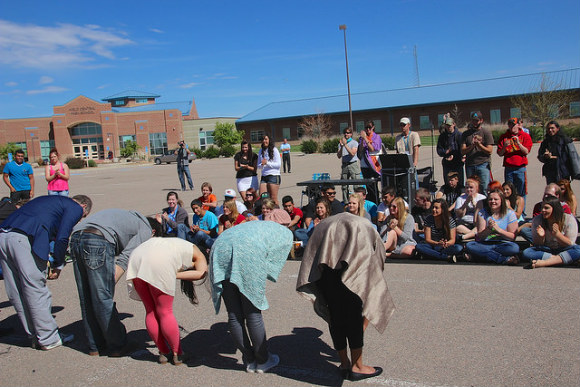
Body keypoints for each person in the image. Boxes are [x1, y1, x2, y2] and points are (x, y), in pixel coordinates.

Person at [296, 213, 395, 381]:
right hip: (352, 272)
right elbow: (376, 250)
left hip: (326, 273)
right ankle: (358, 366)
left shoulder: (324, 224)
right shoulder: (361, 224)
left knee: (335, 318)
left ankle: (344, 363)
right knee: (354, 319)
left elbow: (313, 252)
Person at [0, 194, 92, 350]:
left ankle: (35, 335)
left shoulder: (49, 202)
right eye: (82, 217)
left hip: (4, 235)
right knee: (35, 288)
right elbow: (63, 237)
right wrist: (58, 263)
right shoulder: (74, 207)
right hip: (23, 238)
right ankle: (48, 338)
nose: (79, 220)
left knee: (16, 289)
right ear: (83, 207)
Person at [70, 209, 158, 356]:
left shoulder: (131, 218)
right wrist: (111, 281)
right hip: (97, 239)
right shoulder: (146, 229)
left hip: (76, 237)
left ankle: (95, 345)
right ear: (154, 232)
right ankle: (118, 345)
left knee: (86, 296)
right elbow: (127, 256)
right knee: (102, 296)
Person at [210, 221, 292, 373]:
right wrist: (267, 268)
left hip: (221, 247)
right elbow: (279, 252)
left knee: (234, 315)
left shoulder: (257, 226)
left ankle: (249, 359)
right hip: (246, 250)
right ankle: (263, 360)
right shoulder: (284, 232)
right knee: (253, 313)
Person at [126, 237, 207, 365]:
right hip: (159, 261)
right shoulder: (198, 252)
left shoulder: (176, 243)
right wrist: (172, 274)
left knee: (150, 310)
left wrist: (170, 273)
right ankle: (178, 354)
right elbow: (201, 272)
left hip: (136, 258)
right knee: (165, 311)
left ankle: (164, 352)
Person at [464, 188, 520, 265]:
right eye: (490, 199)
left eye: (496, 199)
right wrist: (489, 229)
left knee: (514, 248)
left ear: (501, 200)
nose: (493, 201)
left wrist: (498, 230)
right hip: (485, 244)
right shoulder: (482, 212)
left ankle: (478, 257)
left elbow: (512, 237)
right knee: (470, 245)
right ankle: (503, 259)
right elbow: (481, 236)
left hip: (503, 244)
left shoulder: (510, 214)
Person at [522, 196, 580, 269]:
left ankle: (544, 263)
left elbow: (570, 243)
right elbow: (537, 244)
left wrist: (558, 235)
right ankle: (560, 260)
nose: (543, 210)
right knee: (527, 252)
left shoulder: (569, 219)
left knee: (578, 250)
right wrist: (541, 237)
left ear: (555, 209)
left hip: (564, 249)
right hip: (547, 250)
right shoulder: (537, 220)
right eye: (542, 207)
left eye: (546, 208)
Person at [497, 117, 533, 203]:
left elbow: (526, 151)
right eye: (510, 124)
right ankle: (510, 210)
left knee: (521, 191)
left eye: (513, 124)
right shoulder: (504, 137)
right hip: (509, 168)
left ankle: (521, 212)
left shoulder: (525, 136)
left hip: (520, 168)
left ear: (518, 125)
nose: (512, 126)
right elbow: (500, 153)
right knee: (508, 191)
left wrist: (519, 144)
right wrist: (505, 146)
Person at [461, 111, 494, 195]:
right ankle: (473, 206)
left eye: (477, 120)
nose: (475, 122)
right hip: (470, 165)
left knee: (484, 188)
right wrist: (472, 146)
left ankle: (485, 207)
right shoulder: (466, 134)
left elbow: (489, 150)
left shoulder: (486, 133)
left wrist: (479, 145)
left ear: (481, 120)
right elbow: (462, 151)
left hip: (483, 164)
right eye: (473, 120)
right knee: (471, 189)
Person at [358, 120, 382, 204]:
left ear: (373, 128)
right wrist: (362, 140)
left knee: (373, 185)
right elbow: (360, 149)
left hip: (373, 164)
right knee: (368, 185)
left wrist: (365, 138)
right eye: (366, 128)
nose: (368, 130)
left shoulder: (376, 137)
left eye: (369, 128)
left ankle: (376, 202)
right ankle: (371, 202)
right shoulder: (362, 138)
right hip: (365, 164)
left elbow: (372, 149)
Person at [436, 115, 464, 186]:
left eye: (450, 125)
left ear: (454, 124)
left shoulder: (459, 135)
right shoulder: (442, 136)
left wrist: (459, 156)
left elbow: (462, 149)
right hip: (447, 164)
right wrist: (445, 153)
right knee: (448, 185)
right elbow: (439, 150)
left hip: (458, 163)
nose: (448, 127)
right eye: (447, 125)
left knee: (459, 184)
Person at [337, 127, 360, 202]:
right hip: (344, 165)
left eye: (348, 133)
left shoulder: (354, 143)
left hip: (353, 164)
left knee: (356, 185)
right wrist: (342, 146)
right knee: (344, 186)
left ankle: (357, 201)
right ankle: (346, 202)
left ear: (351, 134)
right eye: (345, 133)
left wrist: (345, 144)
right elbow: (339, 156)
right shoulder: (340, 144)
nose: (346, 134)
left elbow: (352, 153)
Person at [257, 135, 281, 204]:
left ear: (269, 140)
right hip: (264, 176)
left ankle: (277, 213)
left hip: (274, 175)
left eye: (266, 139)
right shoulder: (261, 151)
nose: (264, 141)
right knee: (262, 197)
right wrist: (262, 164)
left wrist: (267, 163)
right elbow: (258, 166)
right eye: (263, 139)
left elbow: (278, 164)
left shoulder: (274, 150)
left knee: (273, 199)